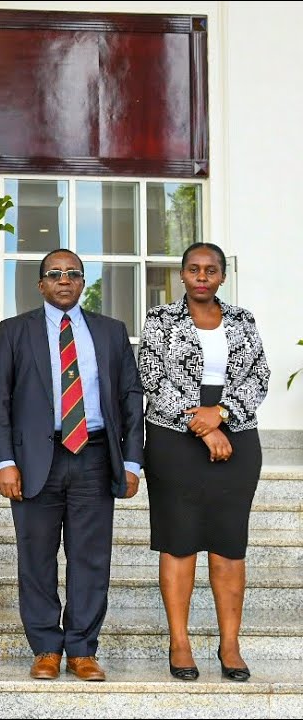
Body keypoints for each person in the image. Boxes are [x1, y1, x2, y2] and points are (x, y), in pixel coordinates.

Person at [0, 249, 144, 682]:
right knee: (36, 557)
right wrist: (4, 462)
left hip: (94, 455)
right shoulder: (15, 331)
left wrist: (132, 461)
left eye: (73, 273)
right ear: (40, 285)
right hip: (35, 460)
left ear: (83, 283)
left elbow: (131, 397)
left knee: (90, 558)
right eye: (54, 274)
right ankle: (45, 649)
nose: (64, 280)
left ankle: (82, 649)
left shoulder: (111, 332)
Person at [137, 242, 269, 683]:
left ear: (222, 277)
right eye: (193, 269)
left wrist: (223, 414)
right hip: (174, 438)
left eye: (210, 270)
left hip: (238, 436)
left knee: (229, 543)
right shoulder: (160, 319)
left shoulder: (243, 320)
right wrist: (205, 427)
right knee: (179, 541)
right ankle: (180, 642)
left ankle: (230, 644)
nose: (201, 276)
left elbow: (259, 375)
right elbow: (152, 376)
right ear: (182, 274)